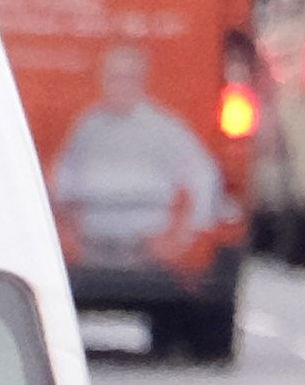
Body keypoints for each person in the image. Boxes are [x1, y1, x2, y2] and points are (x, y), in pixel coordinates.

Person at [42, 43, 234, 270]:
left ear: (141, 80)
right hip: (91, 245)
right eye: (114, 77)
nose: (120, 86)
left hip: (146, 248)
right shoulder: (88, 126)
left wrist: (187, 234)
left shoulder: (164, 128)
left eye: (128, 78)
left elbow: (202, 175)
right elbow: (63, 178)